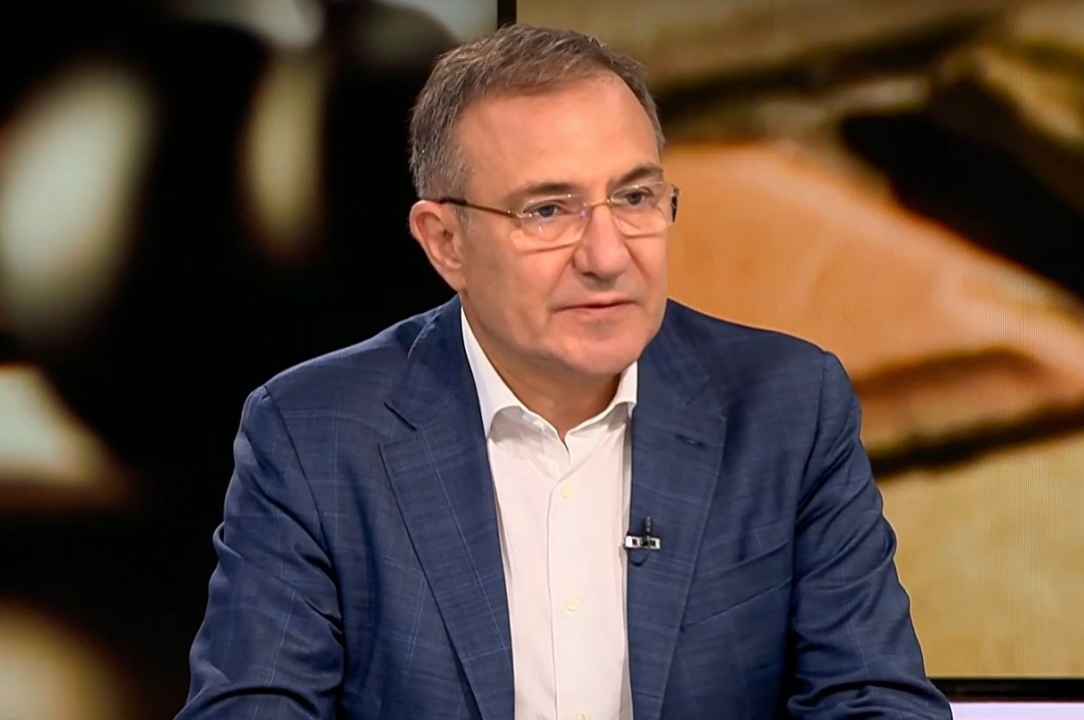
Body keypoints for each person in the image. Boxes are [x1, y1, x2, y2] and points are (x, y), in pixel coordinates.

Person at [176, 23, 952, 720]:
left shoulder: (787, 406)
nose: (608, 256)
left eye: (635, 198)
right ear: (445, 242)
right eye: (548, 210)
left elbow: (876, 702)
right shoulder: (315, 432)